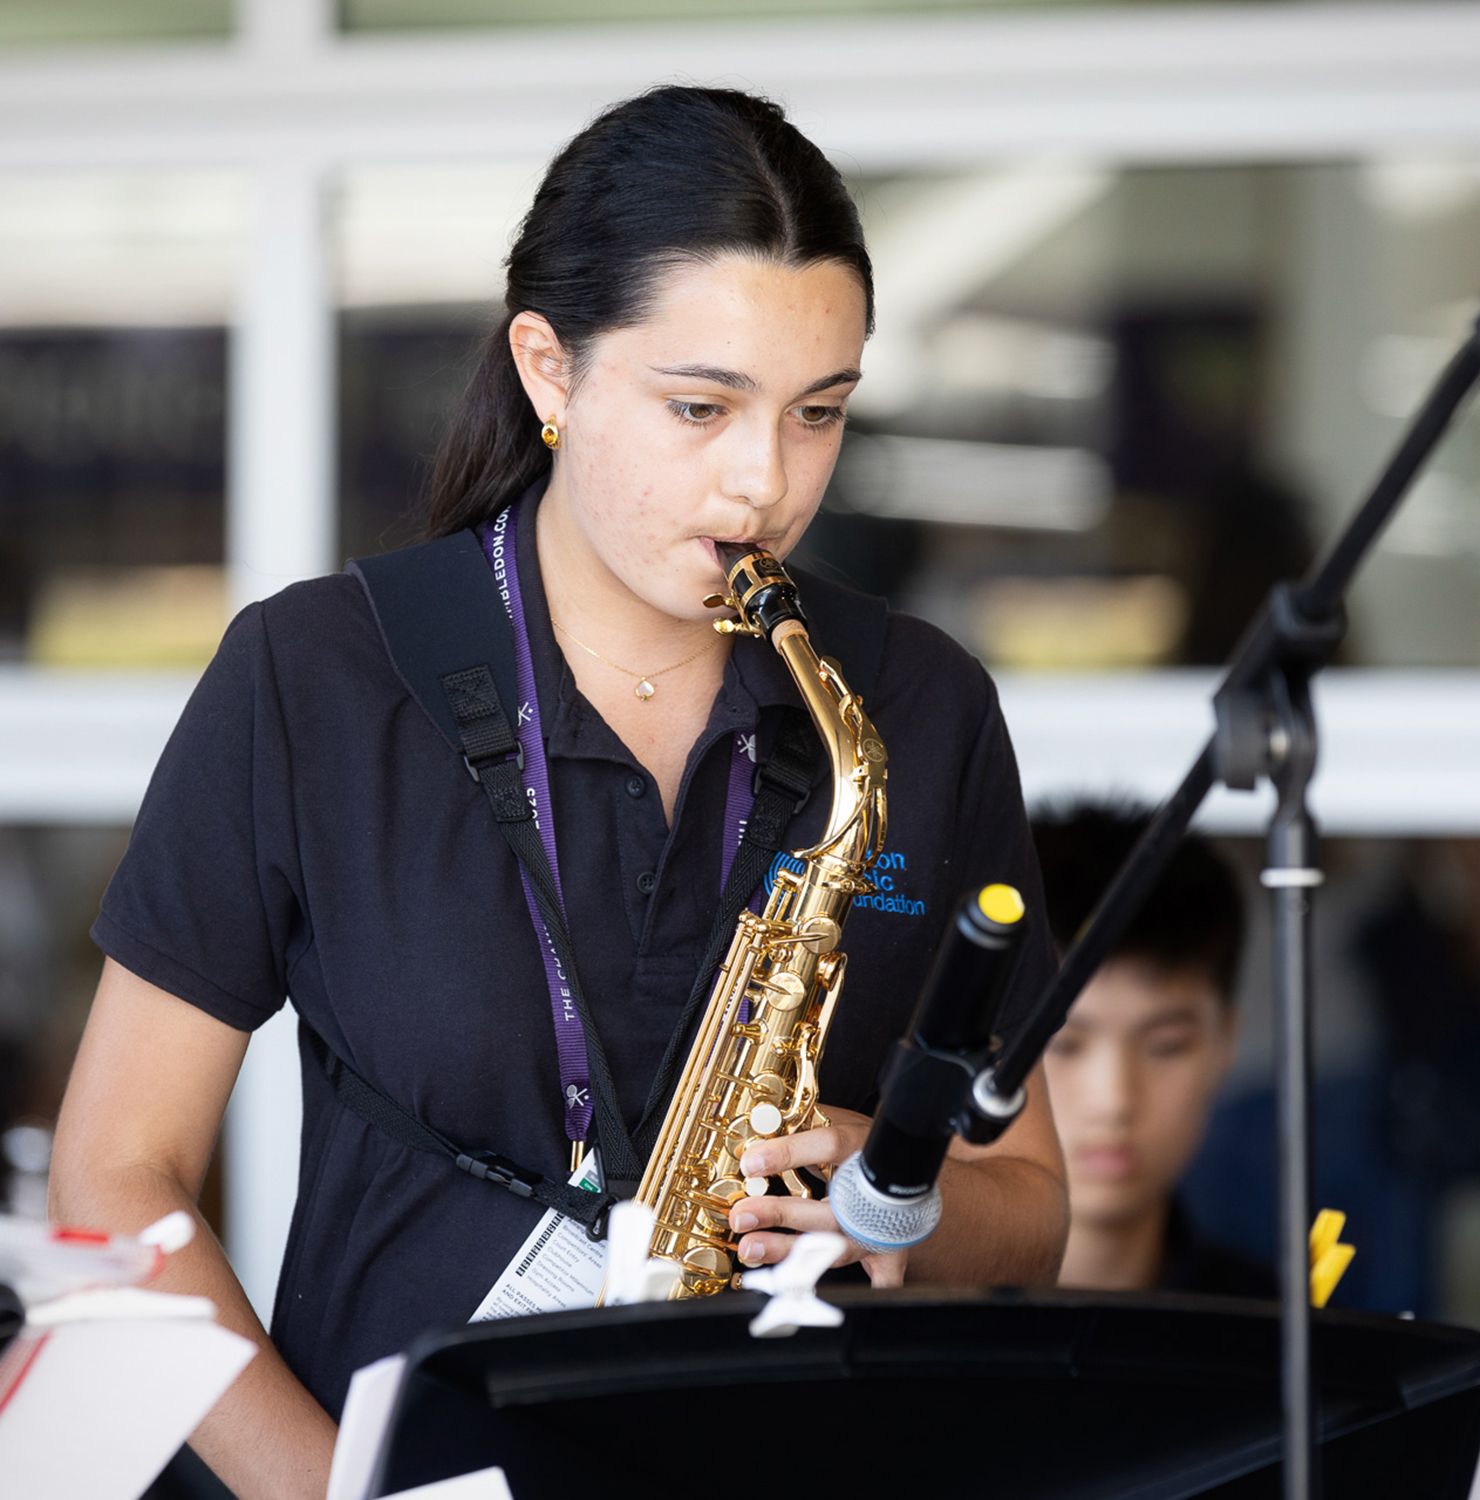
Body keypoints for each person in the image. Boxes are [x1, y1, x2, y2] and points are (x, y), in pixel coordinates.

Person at [49, 86, 1068, 1500]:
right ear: (549, 368)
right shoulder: (314, 677)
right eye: (700, 407)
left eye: (818, 414)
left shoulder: (917, 705)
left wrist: (894, 1199)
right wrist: (324, 1494)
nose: (763, 483)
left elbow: (1032, 1209)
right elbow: (115, 1177)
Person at [1032, 802, 1274, 1297]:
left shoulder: (1278, 1338)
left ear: (1224, 1043)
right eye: (1064, 1044)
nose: (1114, 1099)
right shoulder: (877, 1317)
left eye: (1167, 1046)